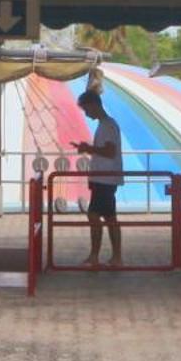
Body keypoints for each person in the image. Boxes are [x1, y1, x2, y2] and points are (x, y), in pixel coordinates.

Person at [71, 87, 124, 268]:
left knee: (95, 216)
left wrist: (88, 149)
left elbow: (110, 151)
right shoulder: (105, 125)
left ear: (94, 105)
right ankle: (111, 257)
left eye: (86, 109)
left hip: (105, 179)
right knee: (109, 218)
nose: (86, 114)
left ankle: (98, 256)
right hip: (103, 179)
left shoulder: (107, 125)